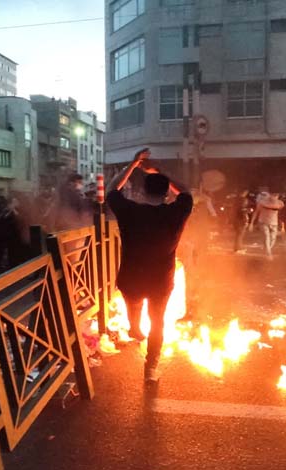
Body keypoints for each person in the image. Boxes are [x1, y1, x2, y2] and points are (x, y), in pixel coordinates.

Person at [106, 148, 193, 383]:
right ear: (167, 194)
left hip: (131, 279)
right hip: (160, 281)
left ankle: (134, 327)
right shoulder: (176, 212)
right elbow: (185, 191)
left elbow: (112, 190)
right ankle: (151, 368)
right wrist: (159, 170)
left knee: (133, 305)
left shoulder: (130, 211)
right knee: (158, 322)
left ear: (142, 192)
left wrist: (134, 164)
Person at [249, 191, 284, 260]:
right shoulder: (262, 203)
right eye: (273, 195)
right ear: (270, 195)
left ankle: (267, 249)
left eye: (276, 195)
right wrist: (251, 223)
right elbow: (256, 212)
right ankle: (268, 253)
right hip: (263, 222)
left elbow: (282, 215)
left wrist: (282, 225)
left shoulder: (280, 203)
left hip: (274, 223)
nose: (274, 197)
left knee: (273, 239)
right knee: (266, 236)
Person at [232, 189, 251, 254]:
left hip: (235, 219)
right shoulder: (243, 200)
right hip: (241, 219)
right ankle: (238, 248)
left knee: (238, 234)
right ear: (244, 192)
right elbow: (242, 210)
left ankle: (237, 248)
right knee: (240, 234)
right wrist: (248, 210)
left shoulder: (235, 200)